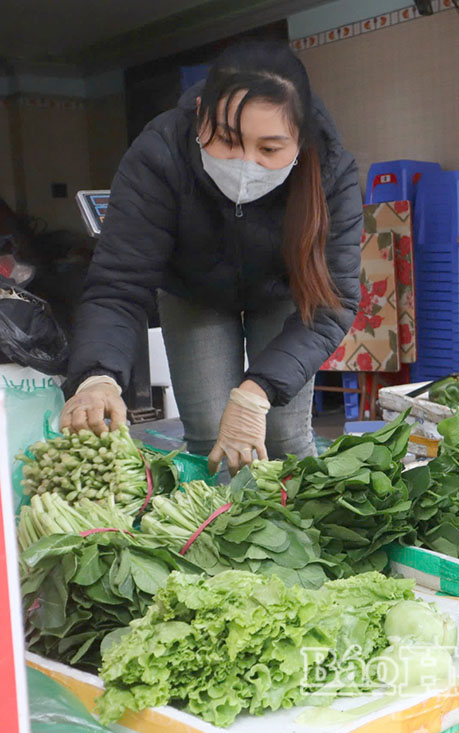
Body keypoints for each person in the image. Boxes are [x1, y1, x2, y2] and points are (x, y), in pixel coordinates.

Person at [60, 41, 361, 475]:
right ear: (200, 112)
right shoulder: (158, 155)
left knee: (282, 435)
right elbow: (117, 284)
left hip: (284, 294)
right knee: (208, 433)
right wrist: (96, 376)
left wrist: (257, 391)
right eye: (226, 139)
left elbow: (333, 302)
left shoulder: (332, 171)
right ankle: (215, 532)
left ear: (301, 140)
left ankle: (300, 530)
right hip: (193, 292)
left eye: (270, 150)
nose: (245, 164)